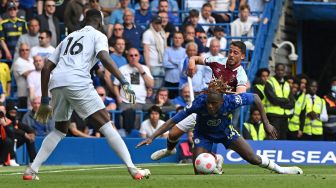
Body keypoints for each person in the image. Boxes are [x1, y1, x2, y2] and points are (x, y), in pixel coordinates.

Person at [23, 9, 150, 181]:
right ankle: (133, 169)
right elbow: (104, 57)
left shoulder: (68, 37)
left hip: (57, 83)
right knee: (106, 125)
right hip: (77, 81)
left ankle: (31, 170)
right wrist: (124, 81)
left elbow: (46, 68)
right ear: (100, 22)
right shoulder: (98, 35)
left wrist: (45, 100)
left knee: (59, 130)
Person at [136, 79, 303, 175]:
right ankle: (215, 160)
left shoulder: (231, 100)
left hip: (225, 132)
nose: (210, 107)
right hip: (203, 135)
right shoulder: (199, 103)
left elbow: (256, 98)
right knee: (199, 170)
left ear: (222, 101)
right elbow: (172, 121)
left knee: (253, 158)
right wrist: (152, 136)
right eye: (209, 104)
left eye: (214, 104)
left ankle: (281, 170)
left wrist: (266, 123)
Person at [149, 41, 248, 161]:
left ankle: (215, 158)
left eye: (235, 52)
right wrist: (191, 64)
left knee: (202, 151)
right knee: (173, 134)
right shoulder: (218, 61)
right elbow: (195, 58)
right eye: (230, 51)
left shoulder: (241, 74)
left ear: (242, 56)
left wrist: (222, 92)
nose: (231, 54)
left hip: (219, 112)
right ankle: (170, 150)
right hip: (204, 106)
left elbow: (241, 95)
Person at [264, 63, 295, 140]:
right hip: (273, 116)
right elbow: (273, 99)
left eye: (282, 70)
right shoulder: (270, 82)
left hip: (284, 116)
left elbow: (292, 103)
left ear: (284, 71)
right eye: (278, 70)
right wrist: (285, 100)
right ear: (275, 70)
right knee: (274, 138)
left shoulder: (287, 85)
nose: (280, 72)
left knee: (283, 138)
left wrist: (281, 104)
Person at [323, 77, 336, 141]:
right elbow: (326, 109)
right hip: (329, 129)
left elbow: (331, 109)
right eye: (334, 84)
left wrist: (332, 109)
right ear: (331, 85)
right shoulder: (326, 97)